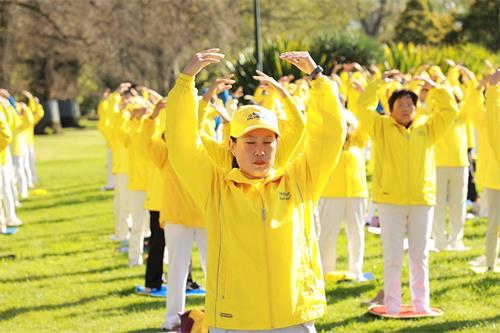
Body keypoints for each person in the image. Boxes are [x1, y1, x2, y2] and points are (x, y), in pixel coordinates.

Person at [164, 48, 345, 332]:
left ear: (277, 144)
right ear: (232, 145)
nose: (259, 151)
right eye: (250, 142)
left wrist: (317, 77)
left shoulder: (300, 179)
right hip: (235, 320)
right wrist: (186, 81)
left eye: (267, 141)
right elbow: (182, 143)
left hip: (293, 317)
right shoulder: (216, 187)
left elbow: (331, 134)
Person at [357, 72, 459, 314]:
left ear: (416, 108)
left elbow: (450, 111)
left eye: (410, 104)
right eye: (400, 104)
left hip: (422, 200)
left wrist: (434, 88)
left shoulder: (428, 128)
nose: (405, 108)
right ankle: (392, 305)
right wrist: (380, 82)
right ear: (390, 109)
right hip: (389, 200)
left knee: (419, 257)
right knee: (392, 258)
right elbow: (362, 106)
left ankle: (420, 304)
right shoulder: (380, 126)